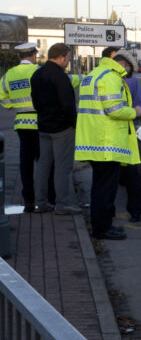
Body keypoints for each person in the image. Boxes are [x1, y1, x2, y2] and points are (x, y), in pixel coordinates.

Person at [75, 52, 141, 240]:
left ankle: (101, 226)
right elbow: (115, 109)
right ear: (121, 63)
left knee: (99, 187)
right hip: (107, 144)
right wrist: (135, 112)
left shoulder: (93, 75)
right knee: (106, 189)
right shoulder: (110, 77)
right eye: (128, 68)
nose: (128, 73)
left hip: (94, 140)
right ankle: (102, 229)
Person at [0, 42, 54, 212]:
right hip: (40, 122)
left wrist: (13, 106)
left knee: (25, 163)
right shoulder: (38, 71)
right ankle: (47, 198)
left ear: (19, 56)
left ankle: (28, 200)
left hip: (22, 123)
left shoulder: (10, 74)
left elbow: (2, 95)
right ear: (33, 55)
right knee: (45, 163)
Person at [30, 43, 81, 214]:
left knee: (43, 164)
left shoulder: (37, 75)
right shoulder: (61, 77)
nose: (68, 62)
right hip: (61, 128)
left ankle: (40, 202)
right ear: (61, 57)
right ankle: (62, 204)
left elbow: (36, 102)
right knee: (63, 167)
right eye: (67, 58)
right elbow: (68, 104)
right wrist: (74, 123)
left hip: (43, 126)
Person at [114, 50, 141, 222]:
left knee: (113, 177)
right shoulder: (130, 80)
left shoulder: (101, 79)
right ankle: (134, 212)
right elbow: (139, 105)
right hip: (124, 135)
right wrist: (135, 112)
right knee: (131, 177)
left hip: (113, 138)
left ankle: (110, 211)